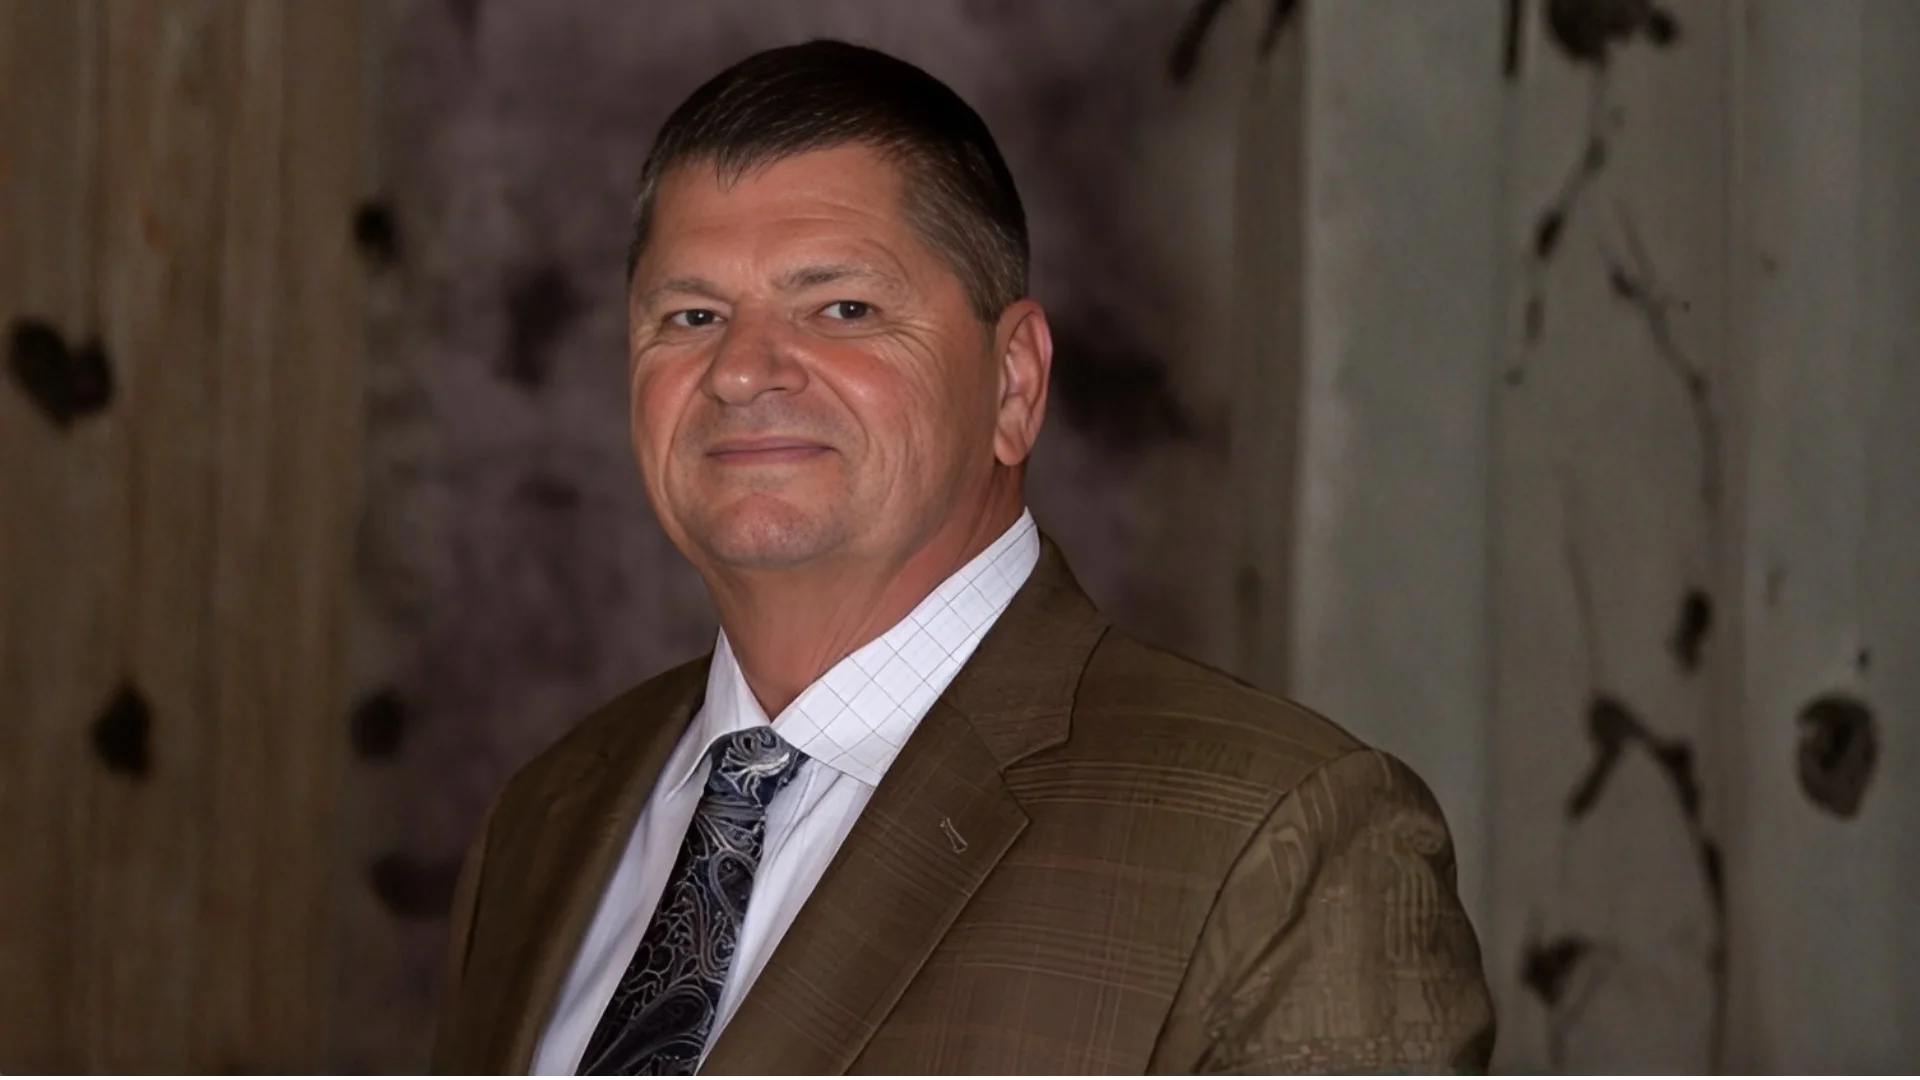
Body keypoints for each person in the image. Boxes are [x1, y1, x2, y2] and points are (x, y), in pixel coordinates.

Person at [429, 39, 1493, 1077]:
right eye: (692, 314)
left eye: (842, 308)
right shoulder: (548, 817)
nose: (742, 370)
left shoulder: (1283, 846)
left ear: (1014, 383)